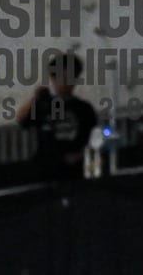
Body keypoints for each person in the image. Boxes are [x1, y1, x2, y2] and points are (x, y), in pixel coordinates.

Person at [16, 50, 101, 179]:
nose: (65, 83)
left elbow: (95, 139)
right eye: (61, 78)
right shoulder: (43, 104)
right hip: (45, 170)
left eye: (70, 78)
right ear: (53, 78)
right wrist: (35, 98)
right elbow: (21, 120)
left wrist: (80, 155)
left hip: (75, 171)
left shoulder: (84, 109)